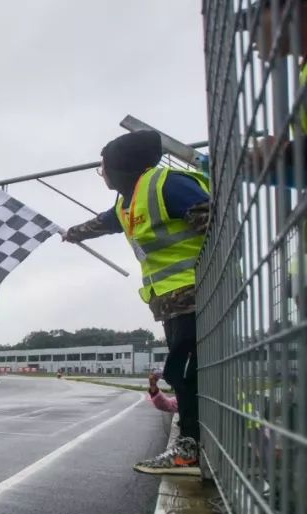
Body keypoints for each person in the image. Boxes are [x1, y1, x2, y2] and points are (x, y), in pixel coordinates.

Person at [62, 130, 209, 476]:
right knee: (185, 373)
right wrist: (73, 233)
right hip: (173, 303)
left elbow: (214, 222)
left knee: (185, 373)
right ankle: (193, 446)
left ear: (122, 166)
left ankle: (189, 450)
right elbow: (104, 222)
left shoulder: (166, 185)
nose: (103, 174)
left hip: (199, 296)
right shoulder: (128, 202)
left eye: (104, 167)